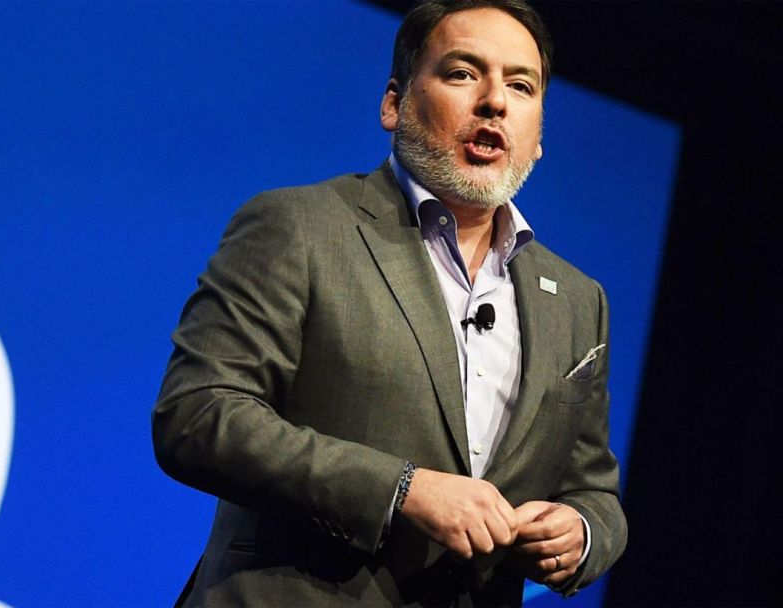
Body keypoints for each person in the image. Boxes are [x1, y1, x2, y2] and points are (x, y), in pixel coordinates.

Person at [152, 1, 626, 605]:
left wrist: (582, 534)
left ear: (537, 139)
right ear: (394, 103)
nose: (494, 102)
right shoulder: (300, 227)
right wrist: (400, 490)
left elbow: (593, 489)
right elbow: (197, 415)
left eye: (521, 86)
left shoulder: (579, 301)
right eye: (463, 74)